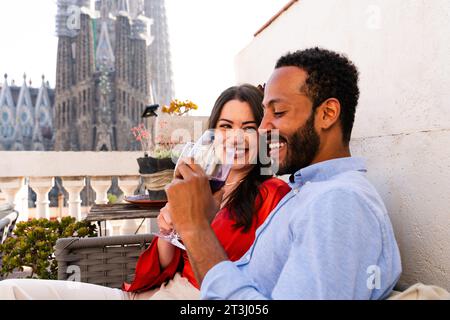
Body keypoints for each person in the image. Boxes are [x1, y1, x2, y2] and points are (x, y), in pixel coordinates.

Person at [0, 84, 290, 300]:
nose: (236, 138)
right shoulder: (200, 185)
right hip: (150, 294)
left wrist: (196, 229)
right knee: (10, 290)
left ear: (262, 134)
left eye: (248, 127)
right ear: (212, 134)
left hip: (196, 299)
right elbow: (164, 264)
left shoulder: (274, 195)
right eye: (225, 127)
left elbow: (258, 285)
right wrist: (167, 230)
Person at [165, 47, 403, 300]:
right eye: (264, 113)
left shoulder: (338, 201)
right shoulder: (305, 191)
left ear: (327, 114)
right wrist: (200, 225)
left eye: (278, 113)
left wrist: (196, 228)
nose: (263, 128)